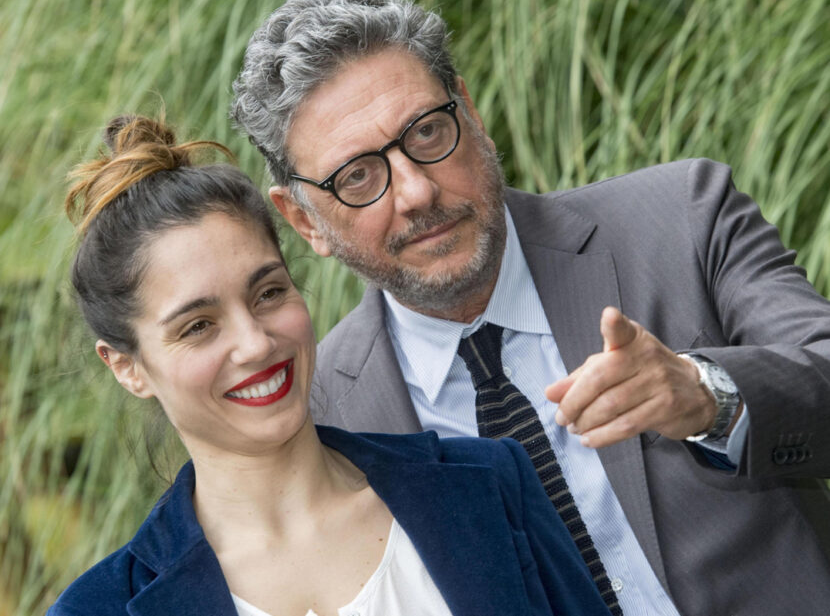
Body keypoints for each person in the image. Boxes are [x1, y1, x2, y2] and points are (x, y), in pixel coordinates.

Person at [230, 0, 830, 614]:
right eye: (358, 176)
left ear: (471, 114)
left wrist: (707, 395)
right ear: (303, 222)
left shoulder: (684, 219)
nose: (414, 191)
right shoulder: (325, 416)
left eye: (427, 131)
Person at [48, 115, 611, 616]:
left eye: (268, 293)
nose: (254, 343)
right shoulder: (97, 609)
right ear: (127, 368)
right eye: (199, 326)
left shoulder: (489, 483)